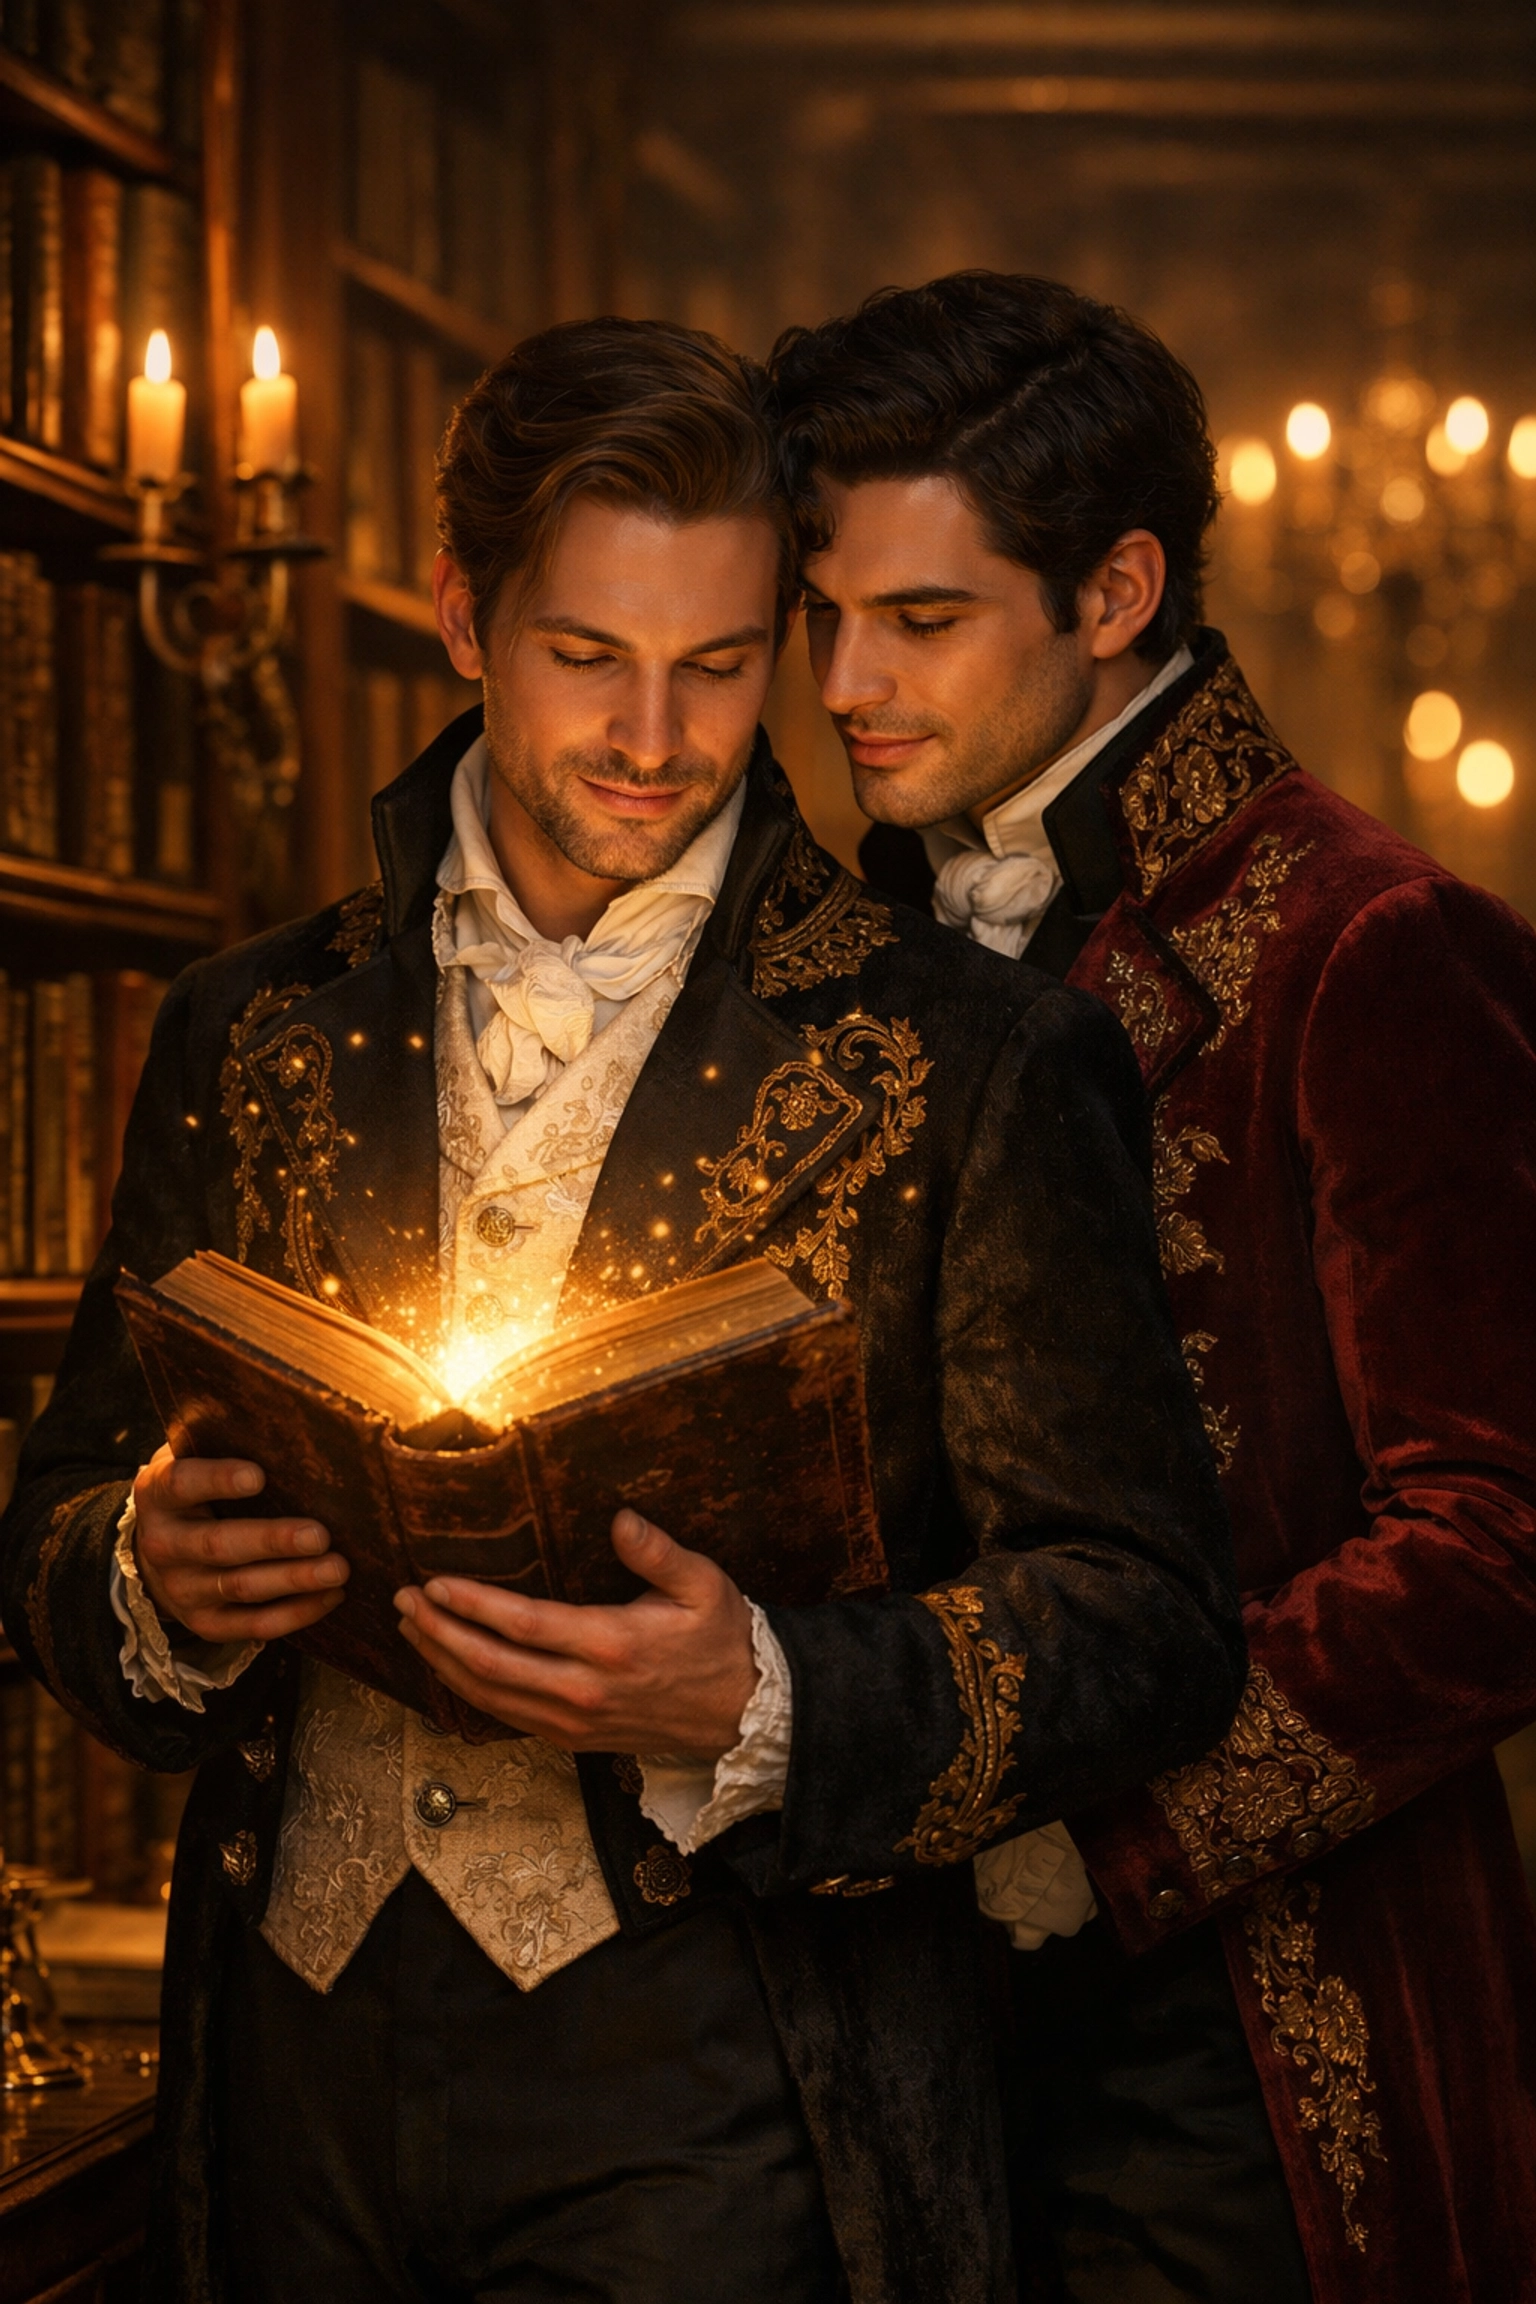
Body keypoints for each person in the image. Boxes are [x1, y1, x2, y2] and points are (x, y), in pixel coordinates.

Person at [0, 317, 1241, 2304]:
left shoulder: (980, 1057)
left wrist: (770, 1695)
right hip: (290, 2073)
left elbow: (1149, 1628)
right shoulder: (244, 1029)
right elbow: (52, 1528)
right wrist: (144, 1575)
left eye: (722, 664)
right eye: (588, 655)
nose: (656, 735)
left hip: (735, 2088)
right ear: (462, 613)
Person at [769, 269, 1536, 2304]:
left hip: (1260, 2032)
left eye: (921, 622)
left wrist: (1100, 1835)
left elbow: (1500, 1543)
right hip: (875, 2006)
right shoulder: (843, 950)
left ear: (1116, 593)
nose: (846, 679)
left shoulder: (1370, 947)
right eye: (822, 613)